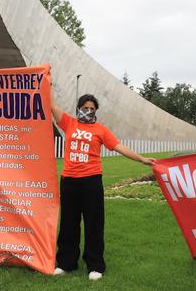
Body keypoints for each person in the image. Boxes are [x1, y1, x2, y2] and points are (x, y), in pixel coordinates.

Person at [50, 94, 156, 281]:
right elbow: (51, 105)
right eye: (85, 108)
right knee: (68, 224)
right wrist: (47, 80)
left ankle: (95, 265)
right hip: (69, 181)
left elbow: (119, 147)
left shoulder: (100, 130)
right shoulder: (69, 123)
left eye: (92, 109)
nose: (88, 111)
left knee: (94, 224)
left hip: (91, 181)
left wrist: (142, 159)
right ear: (78, 108)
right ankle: (66, 263)